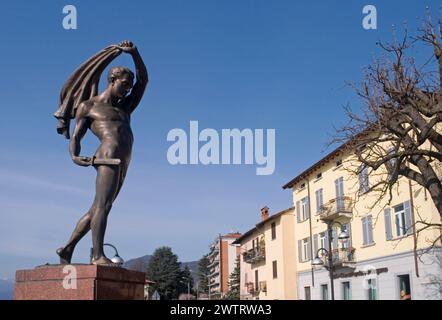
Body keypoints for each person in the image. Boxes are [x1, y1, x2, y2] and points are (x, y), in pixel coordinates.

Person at [56, 40, 148, 265]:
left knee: (98, 207)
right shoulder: (89, 106)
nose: (127, 89)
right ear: (112, 80)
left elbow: (143, 81)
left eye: (128, 86)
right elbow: (77, 136)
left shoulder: (124, 107)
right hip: (108, 155)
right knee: (103, 206)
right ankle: (97, 255)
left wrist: (135, 54)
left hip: (124, 159)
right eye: (124, 84)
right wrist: (74, 156)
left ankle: (67, 248)